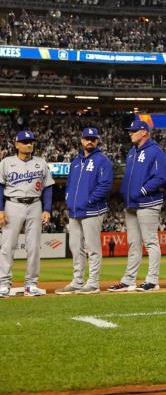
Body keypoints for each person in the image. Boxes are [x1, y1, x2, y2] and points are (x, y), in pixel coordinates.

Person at [108, 120, 166, 293]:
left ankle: (152, 280)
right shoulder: (132, 152)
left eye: (133, 131)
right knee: (133, 244)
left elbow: (160, 177)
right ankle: (128, 281)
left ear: (144, 132)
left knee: (150, 242)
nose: (130, 133)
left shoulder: (156, 151)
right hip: (131, 203)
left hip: (148, 202)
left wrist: (142, 190)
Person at [56, 127, 113, 295]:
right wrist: (68, 198)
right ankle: (77, 281)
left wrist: (89, 200)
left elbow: (105, 185)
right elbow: (69, 184)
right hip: (74, 211)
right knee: (75, 246)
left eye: (93, 139)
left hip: (93, 210)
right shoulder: (75, 162)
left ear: (97, 141)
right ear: (81, 140)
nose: (90, 141)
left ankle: (93, 282)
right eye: (87, 138)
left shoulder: (103, 161)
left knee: (92, 247)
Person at [0, 130, 55, 297]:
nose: (29, 144)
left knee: (34, 247)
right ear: (16, 144)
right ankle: (3, 283)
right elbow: (0, 186)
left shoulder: (41, 162)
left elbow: (48, 187)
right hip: (13, 204)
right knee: (7, 246)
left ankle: (31, 284)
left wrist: (47, 209)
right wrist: (0, 209)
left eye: (31, 141)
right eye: (24, 142)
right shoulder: (6, 162)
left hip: (35, 205)